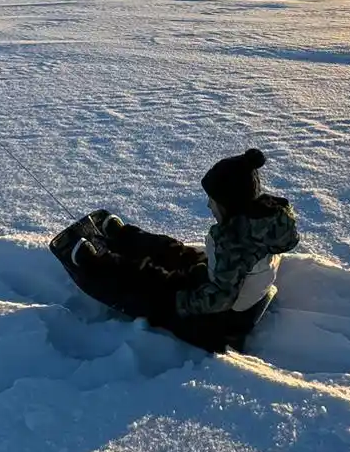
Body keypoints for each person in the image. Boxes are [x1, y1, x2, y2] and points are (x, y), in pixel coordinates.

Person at [58, 149, 300, 351]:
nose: (208, 204)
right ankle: (124, 237)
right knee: (175, 252)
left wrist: (179, 297)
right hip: (230, 288)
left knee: (152, 281)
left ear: (229, 203)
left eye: (213, 201)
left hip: (218, 317)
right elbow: (228, 273)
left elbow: (218, 298)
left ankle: (97, 264)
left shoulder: (234, 244)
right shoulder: (262, 224)